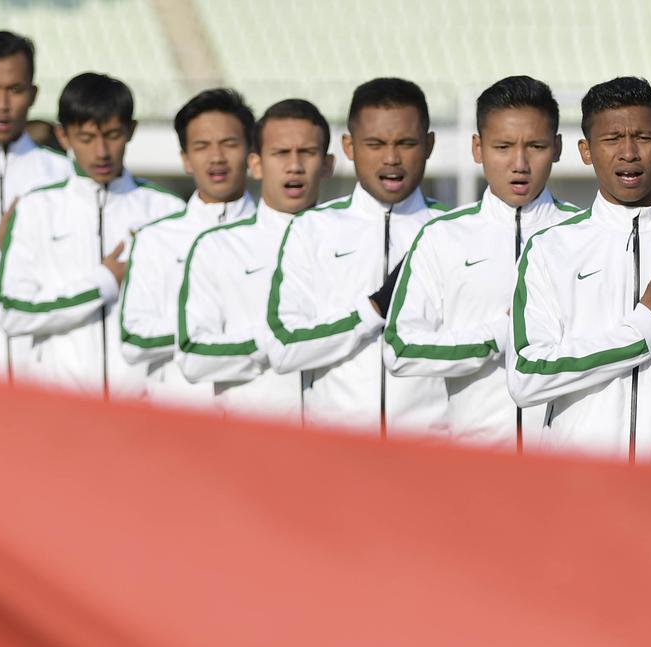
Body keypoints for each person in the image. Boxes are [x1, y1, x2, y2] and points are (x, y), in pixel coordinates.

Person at [506, 76, 651, 463]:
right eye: (611, 139)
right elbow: (526, 376)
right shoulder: (551, 248)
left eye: (644, 138)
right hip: (578, 488)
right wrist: (641, 330)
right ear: (586, 150)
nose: (628, 152)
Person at [383, 75, 578, 450]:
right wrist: (498, 335)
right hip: (477, 469)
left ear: (556, 147)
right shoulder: (441, 237)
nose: (519, 163)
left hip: (569, 469)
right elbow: (400, 349)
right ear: (477, 147)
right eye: (503, 146)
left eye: (535, 146)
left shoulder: (586, 234)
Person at [264, 79, 448, 436]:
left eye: (406, 143)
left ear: (428, 145)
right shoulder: (312, 229)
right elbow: (283, 348)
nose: (391, 158)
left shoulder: (453, 232)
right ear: (349, 147)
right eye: (375, 144)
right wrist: (373, 310)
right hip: (337, 458)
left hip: (430, 457)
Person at [0, 72, 183, 398]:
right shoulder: (36, 207)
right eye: (86, 138)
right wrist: (102, 282)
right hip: (60, 408)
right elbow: (14, 313)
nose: (102, 151)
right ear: (63, 136)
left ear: (131, 130)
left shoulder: (168, 211)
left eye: (112, 135)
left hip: (144, 407)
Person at [177, 99, 333, 421]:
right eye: (280, 153)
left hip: (340, 446)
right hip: (251, 448)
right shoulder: (216, 247)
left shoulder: (352, 243)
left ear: (329, 164)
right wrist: (280, 341)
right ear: (256, 164)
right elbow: (193, 356)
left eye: (307, 152)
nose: (295, 166)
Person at [119, 89, 256, 407]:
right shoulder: (155, 238)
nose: (217, 157)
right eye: (202, 146)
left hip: (258, 419)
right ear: (185, 159)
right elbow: (134, 339)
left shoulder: (281, 235)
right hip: (177, 419)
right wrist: (208, 330)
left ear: (252, 152)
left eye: (229, 144)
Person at [0, 30, 71, 380]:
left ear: (33, 94)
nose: (2, 104)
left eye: (14, 90)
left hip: (46, 384)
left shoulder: (66, 175)